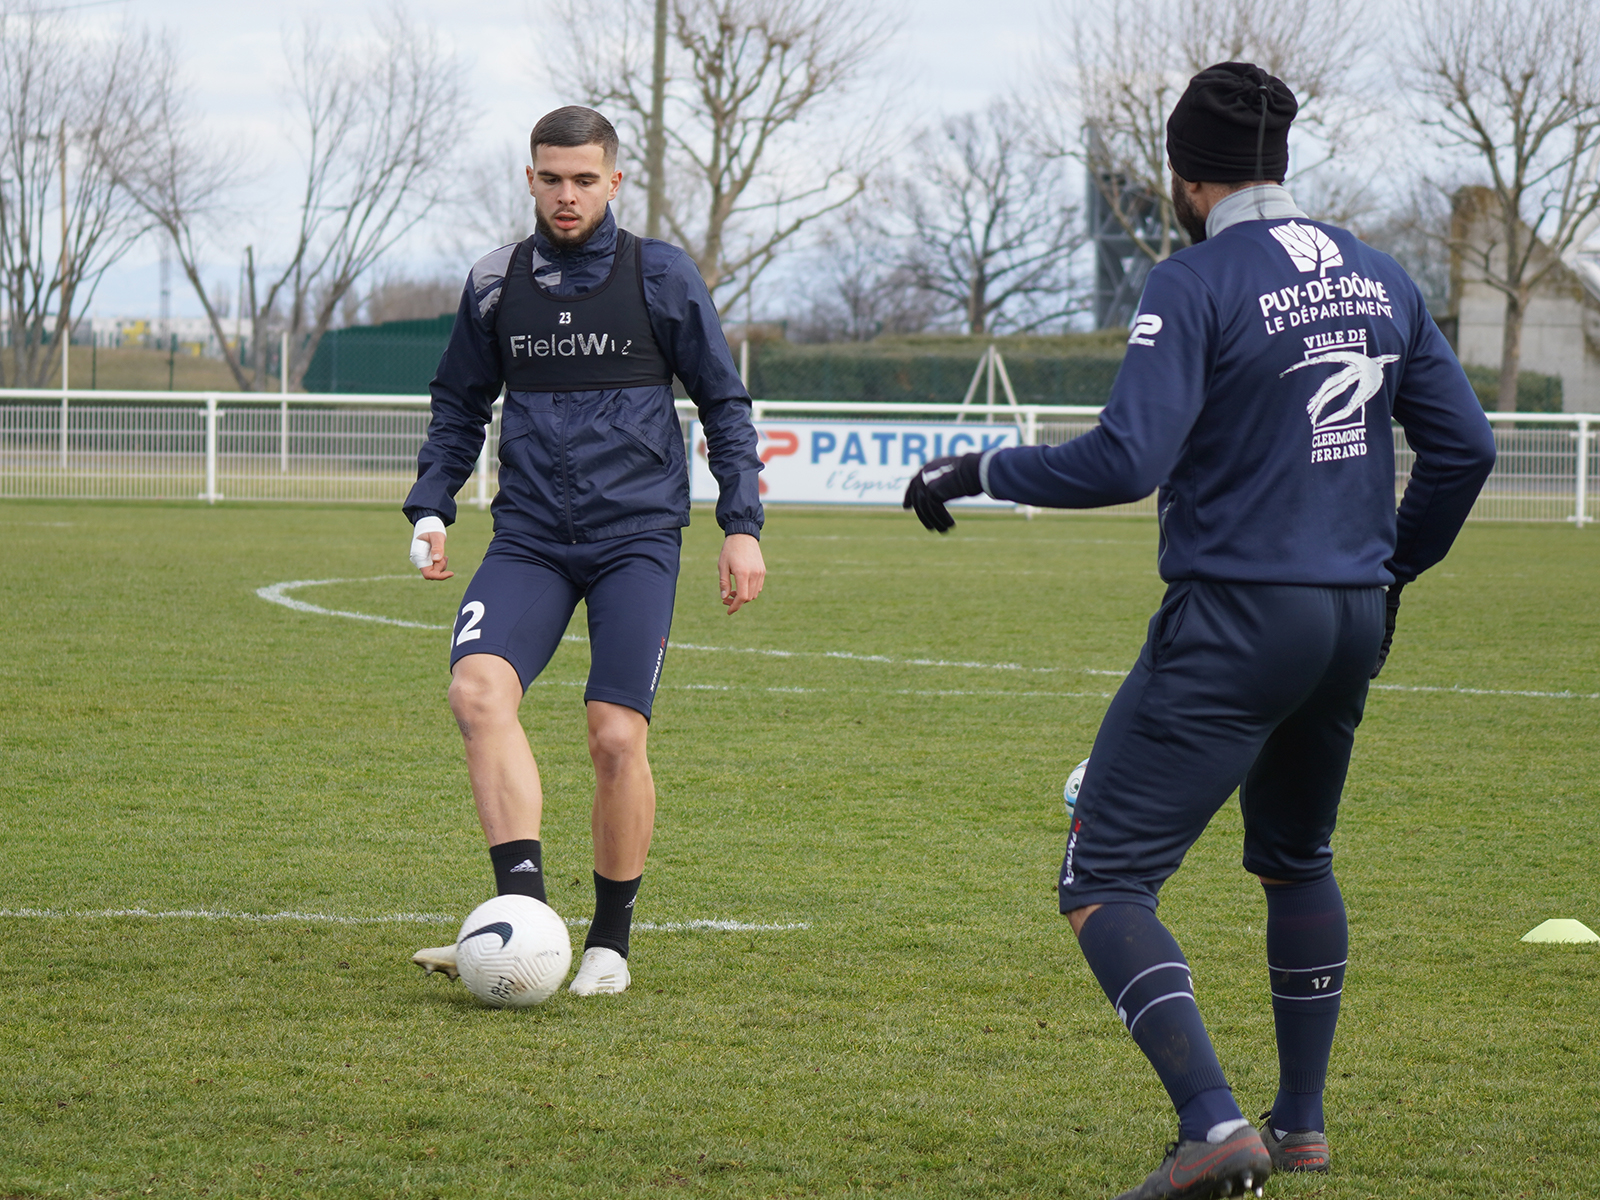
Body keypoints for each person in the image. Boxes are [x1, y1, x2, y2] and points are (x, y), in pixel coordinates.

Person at [905, 63, 1495, 1200]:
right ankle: (1303, 1124)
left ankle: (1214, 1128)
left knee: (1105, 877)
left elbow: (1126, 460)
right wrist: (1389, 571)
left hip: (1234, 617)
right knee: (1295, 859)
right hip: (1347, 618)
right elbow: (1462, 450)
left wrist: (978, 466)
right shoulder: (1380, 274)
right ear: (1283, 164)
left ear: (1184, 177)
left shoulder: (1194, 280)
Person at [404, 106, 766, 998]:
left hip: (635, 538)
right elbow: (458, 404)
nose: (567, 195)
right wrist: (431, 506)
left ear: (613, 181)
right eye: (550, 178)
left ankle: (610, 938)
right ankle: (520, 915)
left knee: (613, 737)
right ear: (530, 179)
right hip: (528, 536)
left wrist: (743, 525)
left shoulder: (662, 275)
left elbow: (724, 403)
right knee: (476, 691)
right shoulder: (495, 282)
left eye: (584, 179)